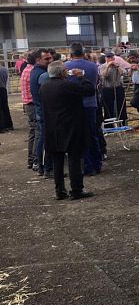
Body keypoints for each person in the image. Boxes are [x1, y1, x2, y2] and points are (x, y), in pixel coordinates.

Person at [40, 61, 96, 200]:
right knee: (74, 159)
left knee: (57, 160)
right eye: (65, 70)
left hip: (52, 128)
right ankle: (76, 189)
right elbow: (89, 90)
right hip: (70, 127)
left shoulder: (44, 87)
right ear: (62, 73)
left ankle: (60, 191)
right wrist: (81, 77)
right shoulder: (67, 85)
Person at [64, 42, 102, 175]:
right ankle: (96, 164)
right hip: (90, 104)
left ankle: (85, 166)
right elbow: (96, 83)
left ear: (71, 53)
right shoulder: (93, 66)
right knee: (92, 134)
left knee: (77, 136)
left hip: (73, 106)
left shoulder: (65, 67)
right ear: (83, 53)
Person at [30, 48, 53, 176]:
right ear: (38, 60)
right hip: (44, 111)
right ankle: (45, 168)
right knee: (45, 141)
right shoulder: (43, 75)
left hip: (41, 110)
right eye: (47, 59)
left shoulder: (37, 71)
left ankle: (42, 166)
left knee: (42, 139)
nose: (50, 60)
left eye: (50, 58)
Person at [20, 52, 36, 168]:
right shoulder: (32, 72)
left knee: (33, 132)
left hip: (28, 104)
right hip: (32, 104)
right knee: (36, 132)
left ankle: (32, 159)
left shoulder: (26, 70)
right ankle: (35, 159)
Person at [0, 59, 12, 133]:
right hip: (3, 89)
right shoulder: (4, 69)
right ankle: (8, 124)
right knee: (5, 107)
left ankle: (1, 127)